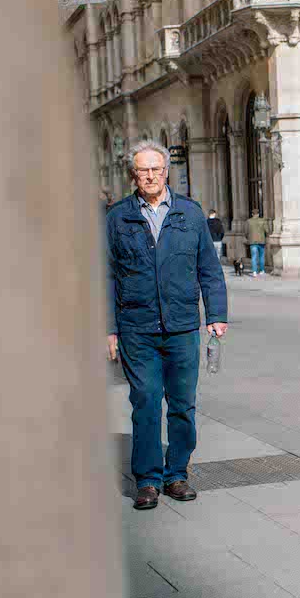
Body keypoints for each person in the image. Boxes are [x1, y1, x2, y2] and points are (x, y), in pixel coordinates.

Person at [106, 140, 228, 511]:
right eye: (143, 170)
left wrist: (217, 314)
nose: (150, 175)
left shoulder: (190, 214)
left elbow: (209, 268)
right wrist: (108, 328)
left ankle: (176, 473)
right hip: (136, 327)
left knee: (182, 405)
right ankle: (147, 479)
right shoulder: (117, 216)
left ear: (166, 171)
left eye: (156, 168)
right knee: (144, 402)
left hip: (181, 327)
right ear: (134, 175)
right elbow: (106, 275)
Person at [246, 207, 268, 276]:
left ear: (252, 214)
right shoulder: (263, 220)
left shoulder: (248, 221)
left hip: (252, 241)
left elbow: (246, 232)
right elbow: (267, 230)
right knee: (261, 256)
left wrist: (248, 237)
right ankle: (262, 270)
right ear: (258, 214)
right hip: (261, 241)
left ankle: (254, 272)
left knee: (254, 257)